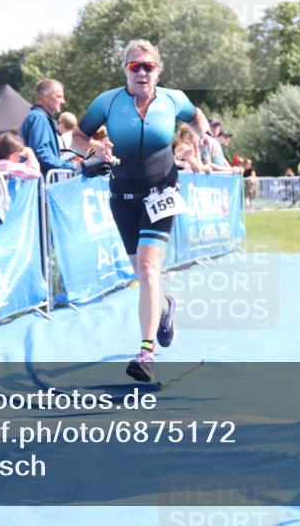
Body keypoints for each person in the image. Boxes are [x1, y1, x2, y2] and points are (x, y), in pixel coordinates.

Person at [67, 39, 215, 383]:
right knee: (143, 275)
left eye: (148, 66)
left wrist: (204, 135)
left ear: (158, 70)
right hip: (122, 195)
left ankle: (146, 353)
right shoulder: (107, 102)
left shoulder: (173, 98)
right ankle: (165, 308)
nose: (142, 72)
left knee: (150, 267)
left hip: (162, 191)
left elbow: (196, 116)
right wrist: (93, 150)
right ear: (125, 70)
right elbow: (78, 137)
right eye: (135, 66)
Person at [20, 78, 79, 178]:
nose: (63, 101)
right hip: (41, 185)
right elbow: (41, 155)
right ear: (45, 97)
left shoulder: (39, 117)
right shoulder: (39, 118)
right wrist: (71, 165)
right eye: (59, 96)